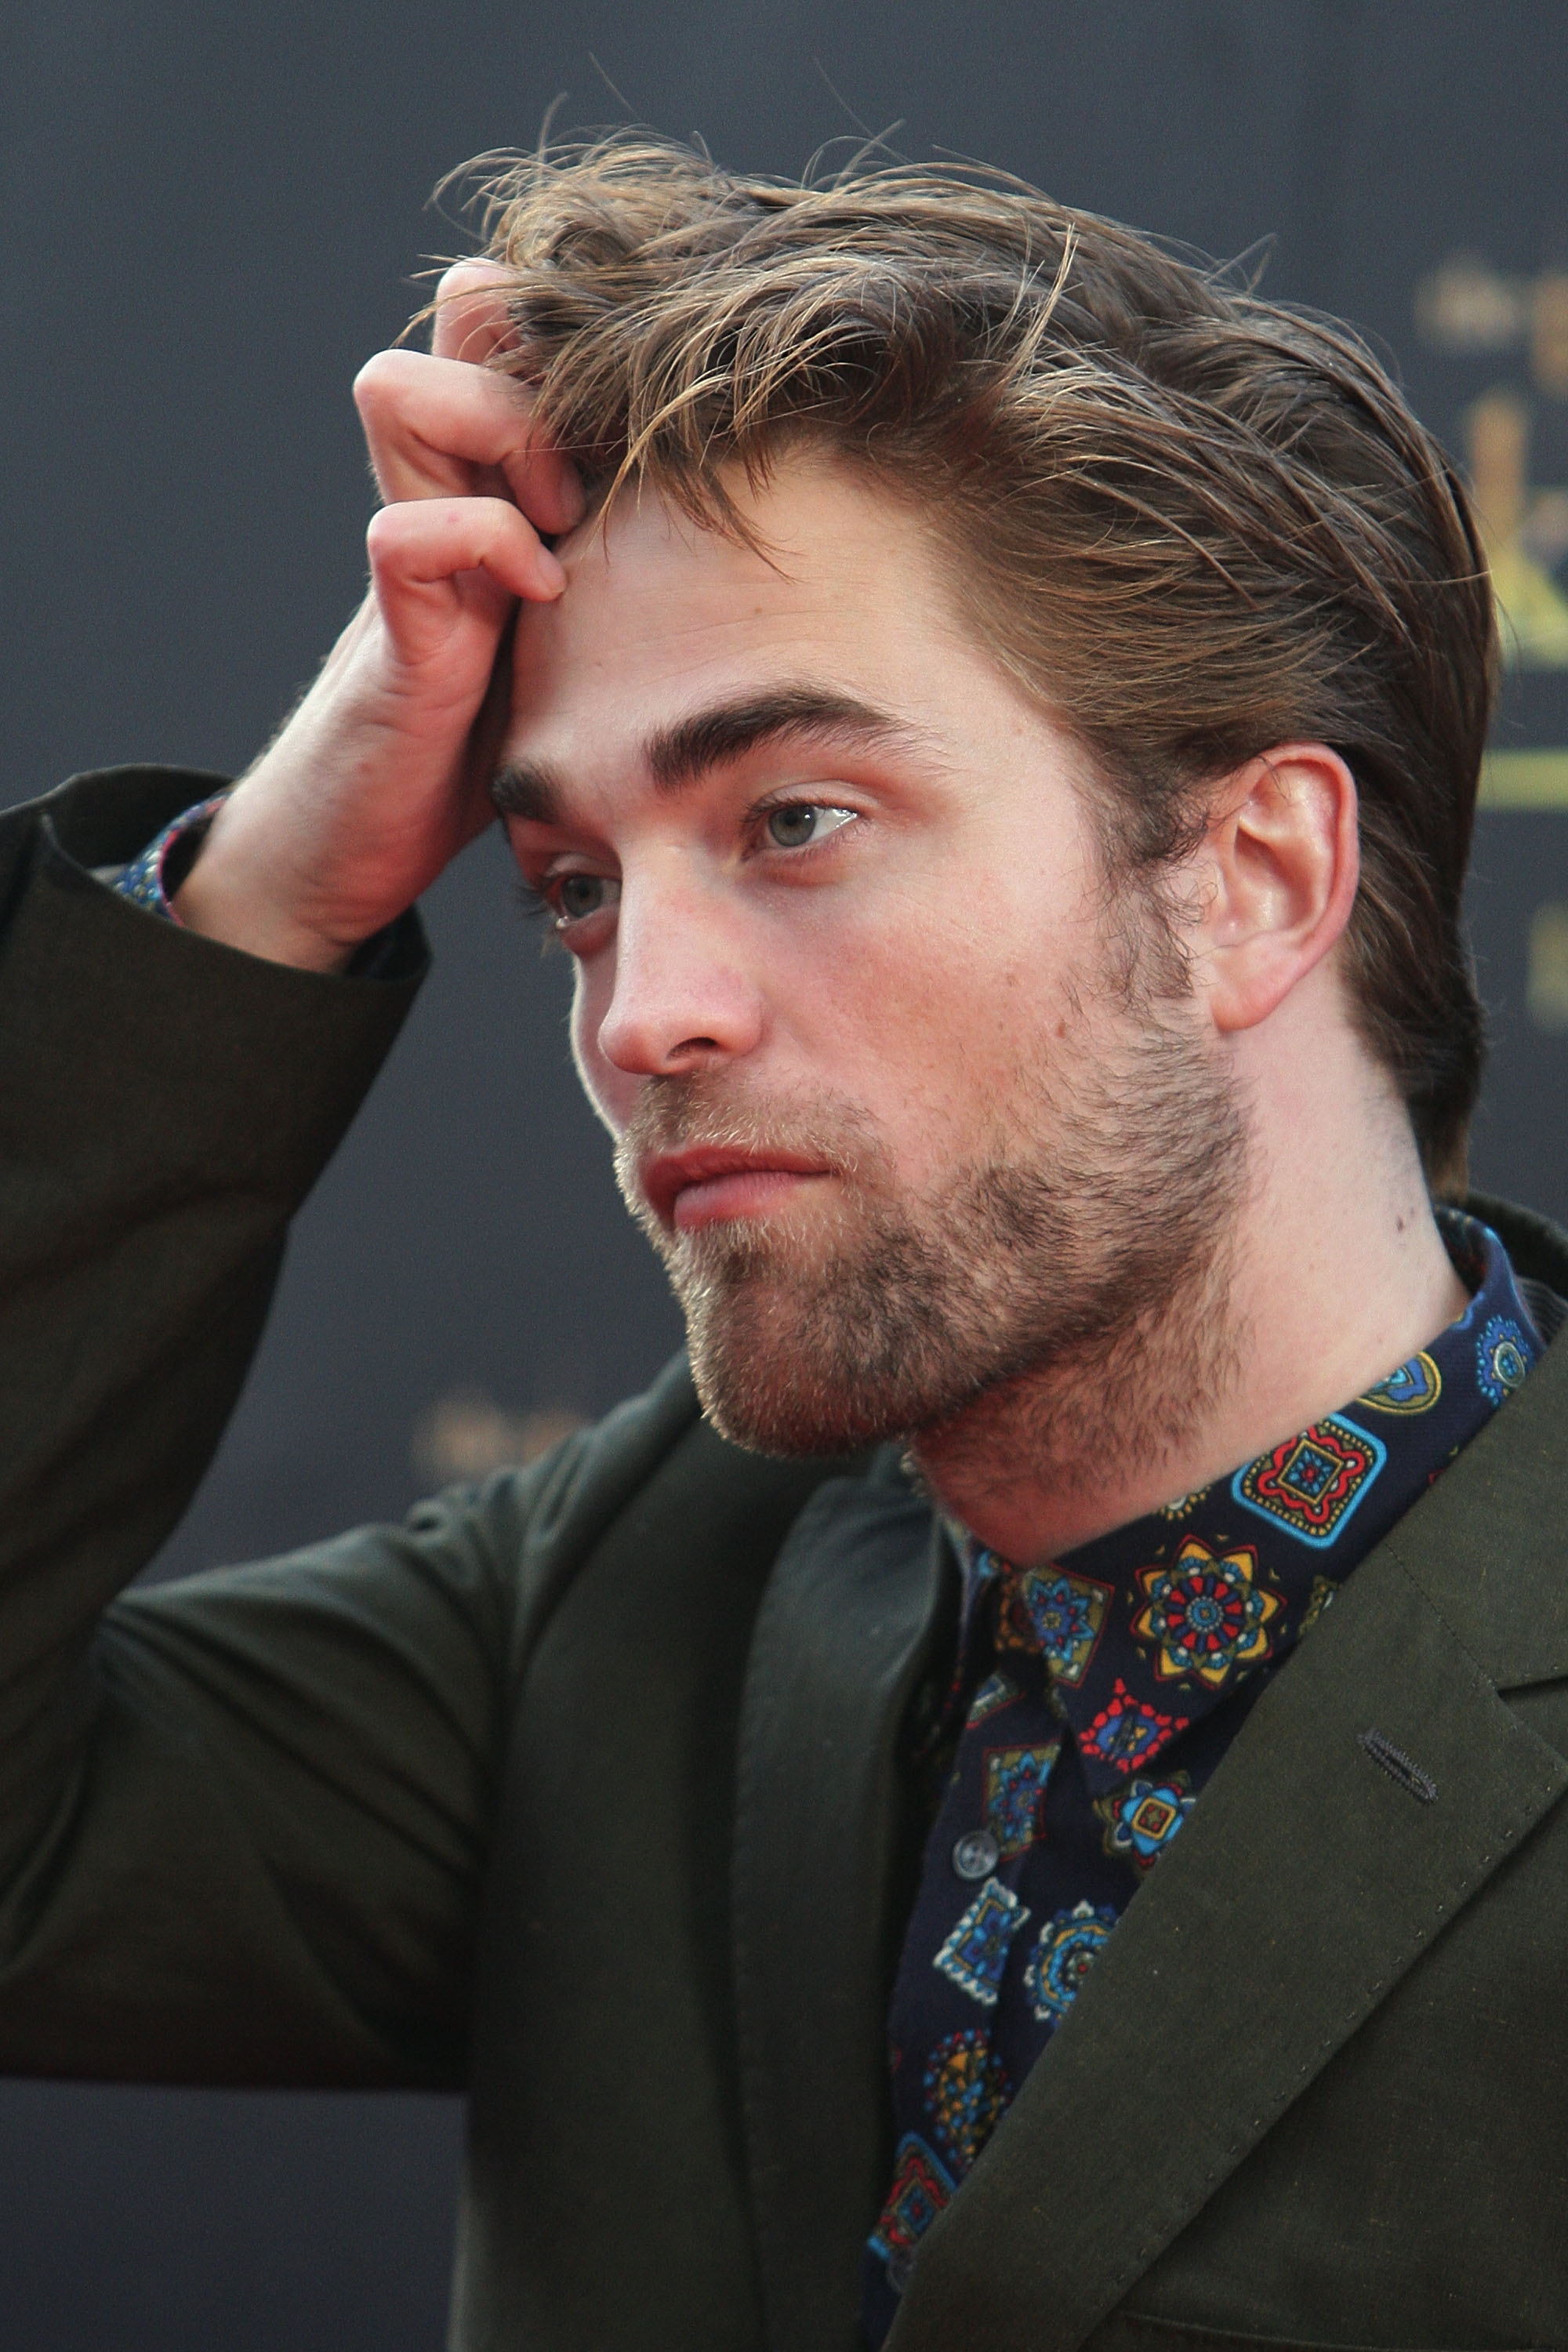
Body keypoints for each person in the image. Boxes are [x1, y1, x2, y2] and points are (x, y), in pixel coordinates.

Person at [0, 133, 1563, 2352]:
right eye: (573, 888)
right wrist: (276, 887)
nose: (641, 1016)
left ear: (1253, 883)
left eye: (797, 820)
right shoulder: (652, 1587)